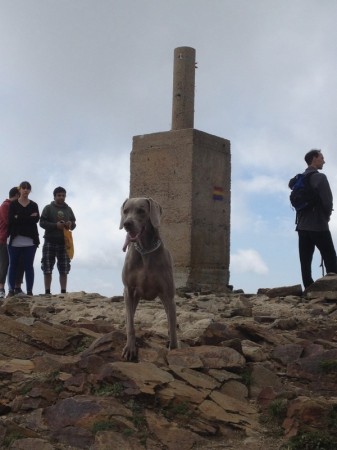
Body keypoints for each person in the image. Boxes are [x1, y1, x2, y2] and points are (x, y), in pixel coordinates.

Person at [293, 149, 337, 289]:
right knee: (330, 256)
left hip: (301, 226)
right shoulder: (320, 177)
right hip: (318, 224)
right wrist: (326, 217)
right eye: (322, 158)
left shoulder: (299, 179)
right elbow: (328, 201)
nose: (324, 161)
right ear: (314, 159)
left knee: (305, 261)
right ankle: (333, 288)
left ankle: (308, 289)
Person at [40, 186, 76, 294]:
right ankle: (47, 291)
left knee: (64, 268)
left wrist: (70, 224)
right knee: (47, 267)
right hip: (50, 241)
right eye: (59, 195)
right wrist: (55, 225)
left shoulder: (68, 209)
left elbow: (74, 223)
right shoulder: (48, 208)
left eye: (63, 195)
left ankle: (63, 292)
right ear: (54, 196)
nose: (61, 197)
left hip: (64, 242)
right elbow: (42, 223)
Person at [7, 181, 40, 297]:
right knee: (13, 264)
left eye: (28, 188)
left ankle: (30, 291)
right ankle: (11, 290)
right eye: (24, 188)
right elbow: (11, 219)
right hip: (15, 240)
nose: (26, 190)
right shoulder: (13, 204)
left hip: (30, 240)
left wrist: (19, 217)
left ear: (30, 191)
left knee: (29, 266)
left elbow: (36, 219)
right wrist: (27, 217)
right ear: (19, 190)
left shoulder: (34, 205)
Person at [0, 187, 25, 298]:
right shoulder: (6, 205)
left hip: (14, 239)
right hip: (4, 239)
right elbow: (9, 220)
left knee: (17, 263)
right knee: (4, 264)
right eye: (20, 195)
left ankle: (16, 288)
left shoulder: (14, 206)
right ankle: (1, 289)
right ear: (16, 195)